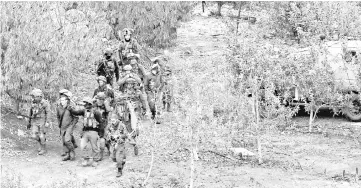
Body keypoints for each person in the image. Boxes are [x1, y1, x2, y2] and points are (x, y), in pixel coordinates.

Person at [56, 89, 79, 161]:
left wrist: (72, 125)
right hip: (62, 126)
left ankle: (72, 152)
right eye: (61, 100)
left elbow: (76, 117)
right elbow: (58, 116)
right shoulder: (59, 107)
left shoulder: (71, 106)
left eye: (63, 100)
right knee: (64, 141)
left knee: (67, 140)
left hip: (69, 126)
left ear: (66, 100)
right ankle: (68, 154)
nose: (61, 101)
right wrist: (59, 123)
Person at [27, 88, 50, 155]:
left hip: (42, 120)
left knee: (41, 135)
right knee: (34, 136)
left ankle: (43, 148)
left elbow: (48, 113)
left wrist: (47, 122)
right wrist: (29, 122)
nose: (34, 98)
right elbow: (30, 112)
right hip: (35, 121)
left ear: (39, 96)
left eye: (35, 96)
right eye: (34, 96)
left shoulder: (45, 103)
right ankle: (41, 144)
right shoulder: (33, 103)